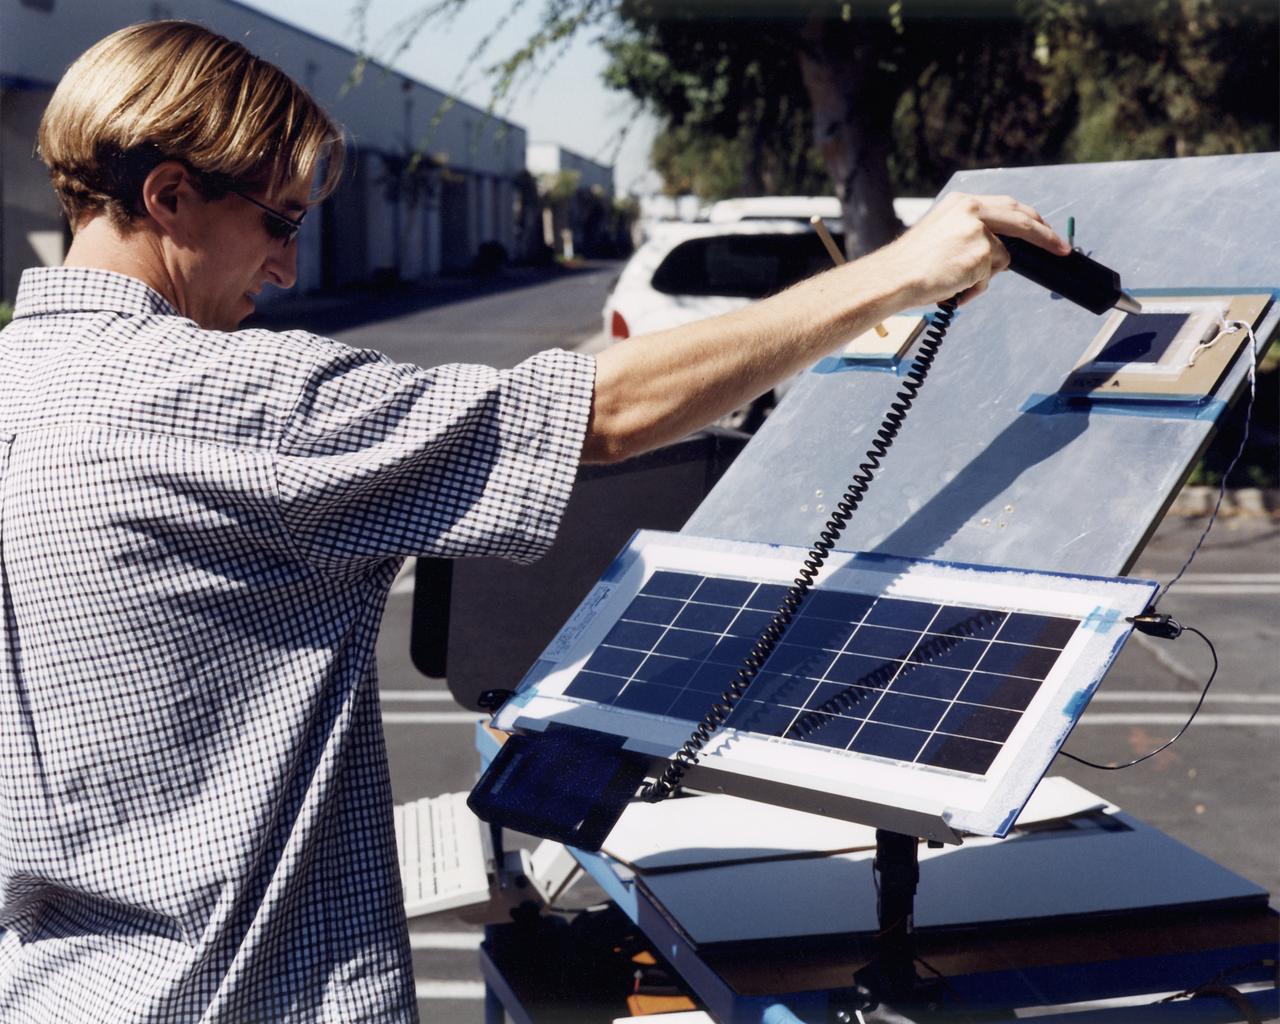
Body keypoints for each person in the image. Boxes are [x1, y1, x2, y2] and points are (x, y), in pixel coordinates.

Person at [0, 19, 1070, 1024]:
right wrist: (899, 270)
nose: (283, 267)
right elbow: (597, 414)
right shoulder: (227, 399)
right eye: (276, 222)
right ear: (172, 193)